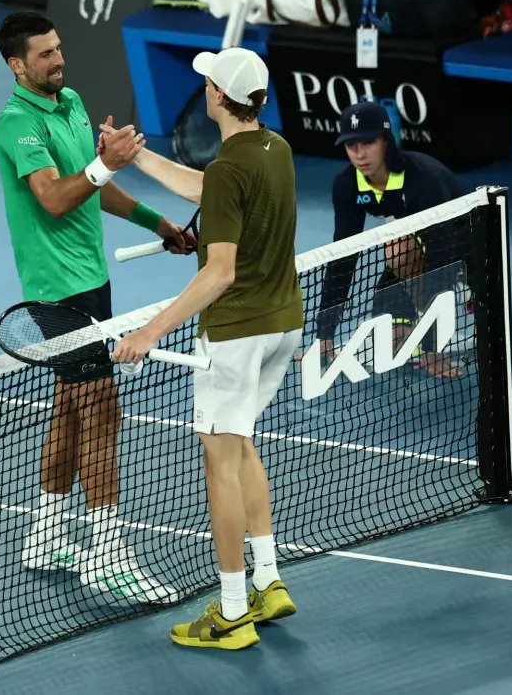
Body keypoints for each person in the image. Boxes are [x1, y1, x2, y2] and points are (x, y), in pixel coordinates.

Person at [0, 10, 194, 604]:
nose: (59, 60)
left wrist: (161, 223)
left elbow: (95, 186)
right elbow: (55, 197)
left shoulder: (72, 101)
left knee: (72, 412)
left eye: (59, 49)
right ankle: (109, 554)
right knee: (104, 414)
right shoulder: (15, 125)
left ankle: (48, 534)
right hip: (57, 292)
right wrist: (106, 161)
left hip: (92, 281)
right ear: (17, 64)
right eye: (45, 55)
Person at [106, 47, 302, 651]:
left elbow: (218, 272)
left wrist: (148, 332)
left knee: (218, 464)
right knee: (240, 443)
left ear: (218, 97)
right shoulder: (274, 150)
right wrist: (139, 158)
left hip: (237, 332)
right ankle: (268, 581)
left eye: (210, 82)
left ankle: (232, 611)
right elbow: (213, 188)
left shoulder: (229, 169)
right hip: (282, 324)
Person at [313, 101, 471, 378]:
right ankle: (418, 317)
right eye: (351, 146)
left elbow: (442, 257)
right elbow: (343, 257)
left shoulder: (422, 180)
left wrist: (434, 348)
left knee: (399, 248)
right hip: (418, 246)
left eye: (368, 142)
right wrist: (324, 334)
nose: (360, 154)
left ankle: (465, 293)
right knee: (391, 345)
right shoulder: (348, 185)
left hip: (467, 243)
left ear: (386, 140)